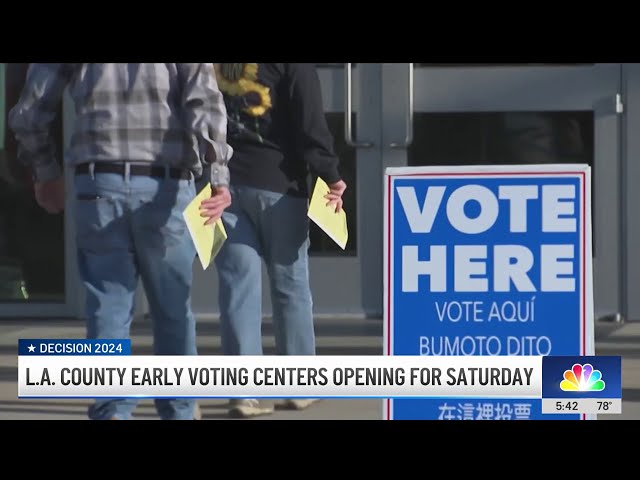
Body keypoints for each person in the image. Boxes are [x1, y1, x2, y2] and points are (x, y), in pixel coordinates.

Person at [9, 63, 233, 420]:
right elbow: (204, 102)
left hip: (98, 184)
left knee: (108, 307)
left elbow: (29, 113)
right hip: (166, 186)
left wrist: (46, 172)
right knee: (173, 310)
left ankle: (112, 408)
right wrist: (217, 175)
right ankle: (180, 409)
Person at [200, 63, 346, 418]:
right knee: (291, 286)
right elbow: (310, 123)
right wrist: (331, 175)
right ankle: (298, 388)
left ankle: (243, 393)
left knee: (237, 288)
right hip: (280, 187)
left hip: (221, 187)